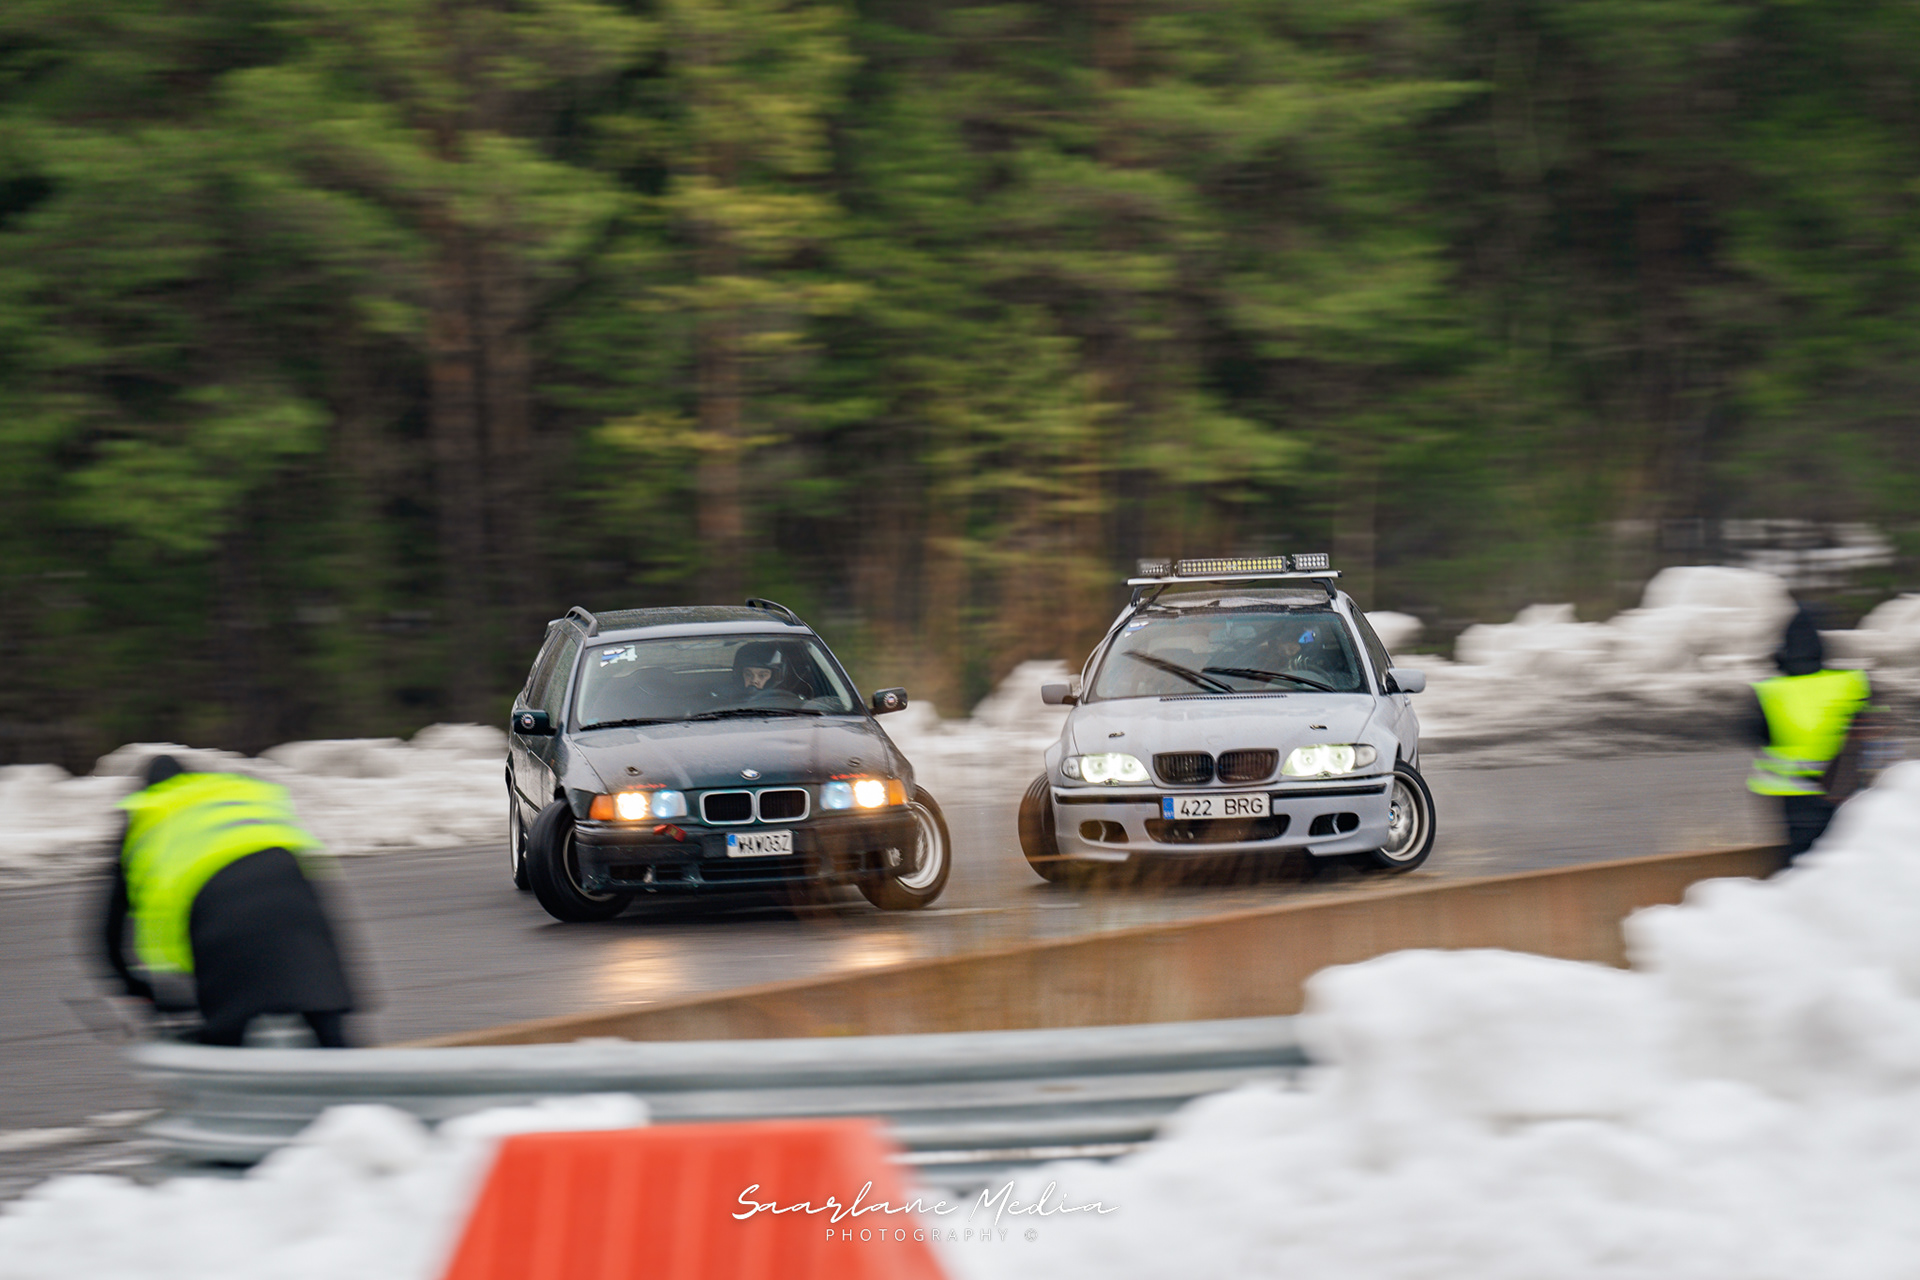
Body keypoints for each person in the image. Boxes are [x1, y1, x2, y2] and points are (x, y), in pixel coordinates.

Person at [101, 754, 356, 1047]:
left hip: (221, 922)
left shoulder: (146, 816)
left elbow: (109, 934)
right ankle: (349, 1063)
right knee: (325, 1019)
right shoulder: (237, 796)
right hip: (297, 906)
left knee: (225, 1039)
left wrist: (138, 990)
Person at [1747, 607, 1870, 862]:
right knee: (1843, 853)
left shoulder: (1769, 692)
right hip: (1841, 790)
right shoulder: (1850, 683)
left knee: (1801, 858)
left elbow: (1754, 733)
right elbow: (1869, 730)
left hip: (1792, 796)